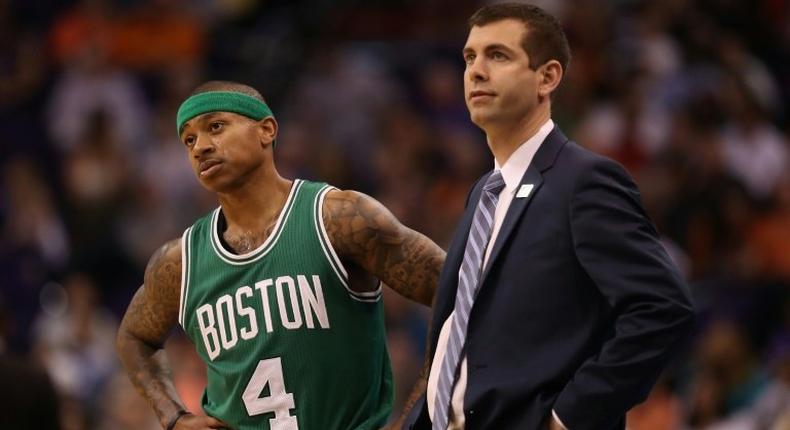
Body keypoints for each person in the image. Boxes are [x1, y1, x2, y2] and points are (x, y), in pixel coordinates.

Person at [401, 3, 695, 430]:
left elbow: (663, 307)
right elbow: (458, 335)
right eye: (469, 57)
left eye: (498, 55)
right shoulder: (481, 193)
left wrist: (566, 417)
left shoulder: (584, 181)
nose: (476, 71)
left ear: (547, 77)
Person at [116, 81, 446, 430]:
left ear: (266, 129)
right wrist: (173, 416)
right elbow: (133, 338)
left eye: (215, 127)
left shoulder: (339, 218)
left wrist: (413, 417)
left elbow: (457, 290)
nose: (200, 147)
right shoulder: (181, 262)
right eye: (189, 140)